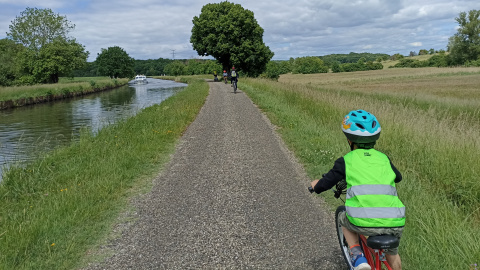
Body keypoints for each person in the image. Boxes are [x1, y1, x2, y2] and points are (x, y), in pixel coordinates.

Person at [310, 110, 405, 270]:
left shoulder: (346, 161)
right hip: (395, 221)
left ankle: (357, 256)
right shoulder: (384, 159)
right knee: (392, 253)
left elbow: (325, 183)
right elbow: (398, 177)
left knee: (344, 221)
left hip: (361, 221)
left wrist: (315, 185)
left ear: (349, 140)